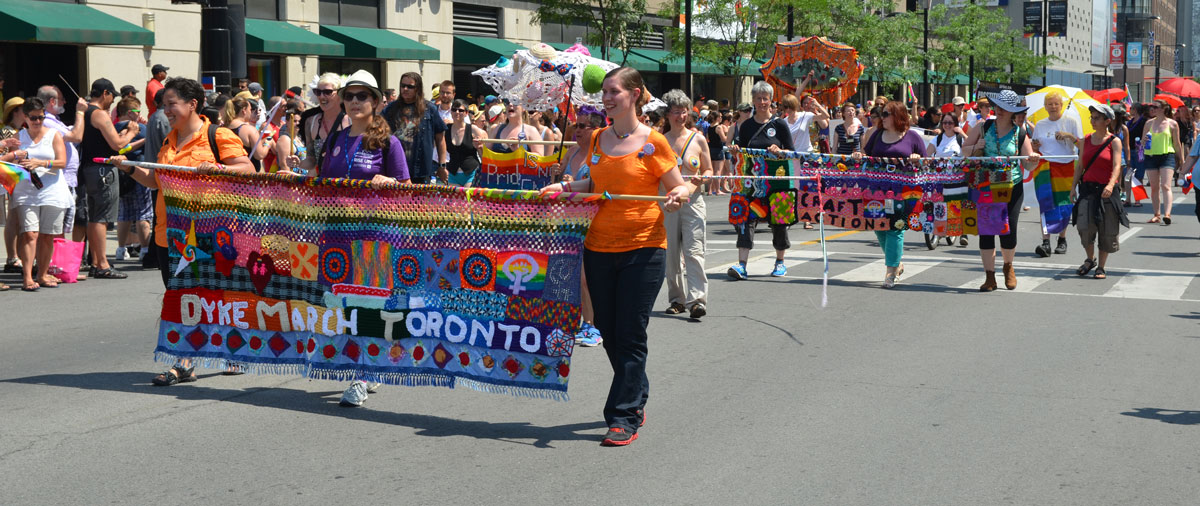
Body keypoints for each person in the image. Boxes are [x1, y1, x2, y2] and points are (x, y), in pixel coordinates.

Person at [540, 67, 690, 447]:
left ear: (635, 95)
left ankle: (623, 415)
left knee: (630, 332)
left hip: (644, 248)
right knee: (608, 330)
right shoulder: (596, 139)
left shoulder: (654, 142)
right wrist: (564, 187)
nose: (606, 98)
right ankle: (636, 390)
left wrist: (678, 196)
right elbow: (594, 183)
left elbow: (680, 185)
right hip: (599, 247)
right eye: (604, 92)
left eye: (614, 92)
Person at [111, 77, 254, 386]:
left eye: (171, 104)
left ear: (192, 104)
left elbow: (248, 170)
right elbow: (155, 181)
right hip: (169, 235)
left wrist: (220, 169)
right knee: (180, 298)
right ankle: (188, 361)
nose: (166, 111)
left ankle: (222, 351)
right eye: (164, 105)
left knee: (215, 296)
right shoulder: (168, 140)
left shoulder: (218, 135)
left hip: (210, 234)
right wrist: (129, 167)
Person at [961, 90, 1040, 291]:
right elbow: (964, 151)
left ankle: (1008, 266)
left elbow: (1028, 165)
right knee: (986, 231)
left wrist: (1033, 160)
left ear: (1013, 112)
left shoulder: (1019, 133)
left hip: (1011, 186)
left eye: (1005, 108)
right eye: (998, 107)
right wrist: (976, 147)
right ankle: (989, 276)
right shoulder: (983, 126)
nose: (1000, 111)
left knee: (1009, 229)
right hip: (984, 185)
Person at [546, 105, 607, 347]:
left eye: (582, 126)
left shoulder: (600, 154)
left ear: (596, 129)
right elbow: (558, 184)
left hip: (590, 221)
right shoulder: (571, 152)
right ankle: (575, 320)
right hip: (566, 220)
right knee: (567, 274)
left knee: (584, 277)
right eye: (575, 125)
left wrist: (573, 183)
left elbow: (600, 186)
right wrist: (556, 174)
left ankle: (591, 325)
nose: (577, 130)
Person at [855, 101, 927, 288]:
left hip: (901, 190)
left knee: (895, 228)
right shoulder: (877, 134)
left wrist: (917, 159)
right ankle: (896, 263)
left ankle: (890, 272)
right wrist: (859, 155)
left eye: (886, 114)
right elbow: (866, 153)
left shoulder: (912, 136)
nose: (882, 117)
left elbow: (926, 161)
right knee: (879, 227)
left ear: (898, 116)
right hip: (876, 189)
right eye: (882, 113)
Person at [0, 98, 69, 291]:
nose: (37, 121)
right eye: (33, 118)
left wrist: (40, 163)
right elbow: (8, 164)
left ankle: (43, 274)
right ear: (25, 117)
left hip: (52, 190)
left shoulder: (54, 135)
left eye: (41, 117)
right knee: (30, 233)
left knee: (47, 235)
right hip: (26, 191)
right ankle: (28, 276)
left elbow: (62, 162)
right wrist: (18, 161)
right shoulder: (18, 137)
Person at [728, 81, 795, 280]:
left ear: (771, 101)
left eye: (765, 98)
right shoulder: (746, 125)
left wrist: (779, 151)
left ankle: (780, 262)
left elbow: (791, 151)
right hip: (751, 181)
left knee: (779, 220)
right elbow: (741, 150)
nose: (762, 102)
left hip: (777, 180)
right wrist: (735, 150)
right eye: (758, 98)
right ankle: (742, 265)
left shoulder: (779, 124)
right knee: (746, 218)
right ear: (753, 101)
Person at [79, 78, 140, 279]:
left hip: (90, 168)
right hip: (103, 170)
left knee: (95, 217)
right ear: (105, 93)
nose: (113, 100)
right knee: (102, 218)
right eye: (112, 96)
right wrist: (131, 132)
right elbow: (117, 145)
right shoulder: (98, 113)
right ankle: (102, 264)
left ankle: (96, 261)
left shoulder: (85, 112)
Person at [660, 89, 712, 320]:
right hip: (667, 202)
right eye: (675, 112)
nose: (680, 116)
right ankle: (677, 299)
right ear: (667, 114)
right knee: (670, 253)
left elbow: (708, 169)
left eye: (684, 112)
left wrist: (704, 178)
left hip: (693, 201)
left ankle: (697, 300)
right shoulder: (660, 141)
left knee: (694, 250)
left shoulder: (698, 138)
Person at [1071, 104, 1127, 280]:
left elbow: (1117, 166)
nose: (1093, 121)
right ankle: (1090, 258)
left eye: (1096, 118)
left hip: (1107, 191)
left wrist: (1110, 184)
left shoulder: (1114, 141)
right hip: (1088, 190)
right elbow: (1080, 166)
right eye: (1092, 118)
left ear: (1107, 121)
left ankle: (1101, 266)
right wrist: (1073, 187)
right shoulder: (1085, 140)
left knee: (1107, 229)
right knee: (1084, 226)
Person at [1030, 91, 1081, 257]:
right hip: (1045, 167)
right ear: (1045, 107)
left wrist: (1069, 136)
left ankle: (1062, 239)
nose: (1053, 107)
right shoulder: (1040, 124)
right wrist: (1035, 147)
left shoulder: (1071, 121)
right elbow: (1034, 147)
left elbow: (1082, 145)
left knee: (1064, 204)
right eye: (1049, 104)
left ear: (1061, 105)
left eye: (1056, 104)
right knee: (1045, 204)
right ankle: (1046, 242)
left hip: (1066, 167)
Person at [381, 72, 448, 183]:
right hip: (395, 169)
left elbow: (440, 139)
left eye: (410, 86)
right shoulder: (390, 109)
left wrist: (442, 166)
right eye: (403, 86)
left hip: (421, 171)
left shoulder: (429, 109)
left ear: (418, 88)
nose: (405, 89)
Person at [113, 97, 151, 262]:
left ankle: (121, 249)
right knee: (143, 213)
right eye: (138, 111)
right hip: (139, 173)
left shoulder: (113, 128)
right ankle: (145, 250)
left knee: (124, 214)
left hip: (122, 174)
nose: (139, 115)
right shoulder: (141, 129)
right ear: (130, 113)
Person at [1141, 98, 1184, 225]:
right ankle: (1156, 215)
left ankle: (1167, 214)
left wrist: (1182, 161)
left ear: (1163, 109)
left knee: (1166, 185)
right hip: (1151, 156)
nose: (1152, 109)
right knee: (1154, 187)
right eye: (1152, 106)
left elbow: (1177, 144)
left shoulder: (1172, 124)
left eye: (1155, 107)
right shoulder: (1148, 123)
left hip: (1167, 156)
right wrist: (1143, 141)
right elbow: (1142, 143)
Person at [444, 98, 486, 186]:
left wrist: (480, 147)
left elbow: (483, 154)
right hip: (453, 173)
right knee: (455, 196)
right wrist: (442, 166)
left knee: (468, 195)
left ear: (466, 113)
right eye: (454, 110)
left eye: (461, 110)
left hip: (471, 172)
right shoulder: (446, 129)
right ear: (451, 112)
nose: (457, 112)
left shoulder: (473, 129)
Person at [222, 94, 261, 170]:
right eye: (250, 110)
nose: (251, 112)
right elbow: (259, 155)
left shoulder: (222, 127)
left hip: (227, 172)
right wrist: (268, 143)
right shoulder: (249, 129)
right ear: (244, 110)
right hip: (248, 172)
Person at [1124, 103, 1148, 206]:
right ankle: (1128, 199)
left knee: (1139, 176)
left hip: (1139, 151)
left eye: (1131, 108)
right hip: (1130, 151)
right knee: (1128, 175)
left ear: (1136, 110)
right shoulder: (1130, 122)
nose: (1130, 110)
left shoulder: (1144, 121)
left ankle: (1138, 200)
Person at [706, 109, 729, 195]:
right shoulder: (718, 127)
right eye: (720, 117)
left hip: (711, 149)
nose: (721, 118)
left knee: (711, 170)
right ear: (717, 118)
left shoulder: (709, 127)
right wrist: (729, 134)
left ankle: (709, 190)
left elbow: (708, 137)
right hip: (718, 149)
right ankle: (718, 190)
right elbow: (723, 139)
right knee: (718, 171)